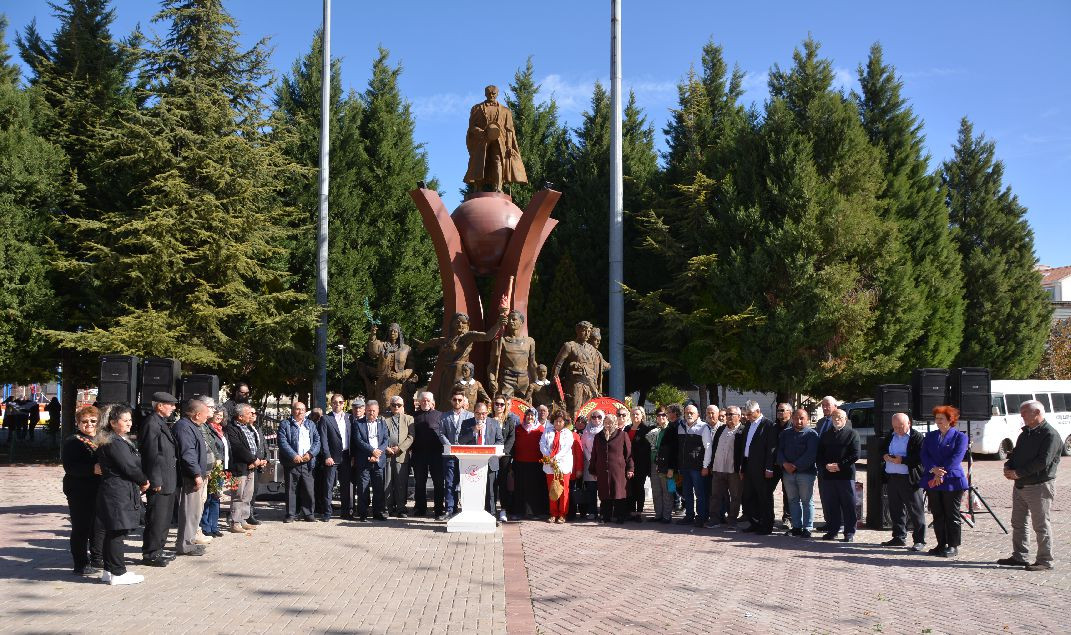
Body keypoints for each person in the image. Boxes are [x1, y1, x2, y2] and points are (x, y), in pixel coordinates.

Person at [999, 399, 1063, 571]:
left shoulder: (1050, 435)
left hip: (1039, 486)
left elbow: (1043, 462)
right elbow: (1016, 454)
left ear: (1037, 413)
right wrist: (1008, 466)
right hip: (1020, 485)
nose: (1021, 416)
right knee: (1018, 522)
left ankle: (1045, 561)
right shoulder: (1025, 433)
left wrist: (1019, 473)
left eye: (1024, 413)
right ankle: (1019, 556)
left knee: (1041, 525)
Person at [94, 406, 149, 585]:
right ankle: (118, 572)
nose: (129, 423)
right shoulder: (114, 442)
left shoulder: (117, 439)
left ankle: (109, 570)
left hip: (118, 489)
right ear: (112, 423)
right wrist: (143, 480)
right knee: (117, 530)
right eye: (125, 420)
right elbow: (128, 467)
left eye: (130, 420)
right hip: (117, 491)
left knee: (114, 531)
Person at [920, 405, 968, 557]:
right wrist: (933, 469)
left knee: (951, 513)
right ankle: (941, 544)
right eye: (936, 419)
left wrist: (941, 473)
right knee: (937, 513)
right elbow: (924, 455)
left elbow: (957, 457)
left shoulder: (960, 437)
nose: (938, 421)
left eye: (941, 419)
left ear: (950, 420)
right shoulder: (930, 436)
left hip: (952, 480)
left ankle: (953, 545)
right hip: (933, 478)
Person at [62, 405, 105, 575]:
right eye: (84, 421)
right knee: (81, 527)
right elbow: (70, 467)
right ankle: (80, 563)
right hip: (79, 490)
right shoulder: (73, 441)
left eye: (93, 421)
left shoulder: (101, 439)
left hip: (99, 489)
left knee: (98, 526)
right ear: (78, 423)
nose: (89, 424)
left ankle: (97, 557)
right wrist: (91, 469)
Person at [138, 392, 179, 567]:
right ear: (160, 405)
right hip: (160, 480)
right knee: (156, 518)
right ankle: (151, 553)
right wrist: (155, 480)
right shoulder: (151, 423)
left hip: (168, 479)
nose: (174, 407)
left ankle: (159, 549)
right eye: (170, 404)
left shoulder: (160, 422)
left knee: (164, 518)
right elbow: (150, 454)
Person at [464, 84, 527, 192]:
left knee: (498, 161)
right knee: (480, 162)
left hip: (499, 140)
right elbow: (472, 127)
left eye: (493, 93)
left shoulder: (506, 111)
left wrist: (508, 146)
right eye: (489, 93)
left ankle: (498, 187)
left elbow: (509, 130)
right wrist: (480, 132)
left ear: (497, 94)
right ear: (485, 94)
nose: (491, 95)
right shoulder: (477, 108)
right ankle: (478, 187)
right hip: (482, 139)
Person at [881, 413, 926, 550]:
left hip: (909, 479)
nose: (898, 430)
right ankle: (899, 537)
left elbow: (920, 458)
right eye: (895, 427)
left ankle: (919, 540)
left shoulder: (916, 437)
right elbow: (881, 449)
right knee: (895, 509)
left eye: (900, 426)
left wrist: (903, 460)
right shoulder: (891, 435)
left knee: (915, 510)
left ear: (909, 423)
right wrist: (885, 456)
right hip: (892, 477)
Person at [816, 408, 861, 542]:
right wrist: (826, 466)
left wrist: (839, 466)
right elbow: (819, 454)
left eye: (840, 417)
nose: (837, 420)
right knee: (831, 504)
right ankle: (832, 530)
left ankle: (849, 532)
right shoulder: (825, 435)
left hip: (845, 475)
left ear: (845, 420)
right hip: (828, 475)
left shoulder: (852, 434)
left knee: (848, 504)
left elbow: (855, 454)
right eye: (835, 417)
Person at [174, 398, 210, 555]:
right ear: (196, 414)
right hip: (188, 478)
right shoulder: (184, 428)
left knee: (194, 512)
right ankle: (185, 545)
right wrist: (196, 474)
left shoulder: (191, 426)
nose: (207, 417)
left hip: (193, 476)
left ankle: (189, 541)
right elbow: (187, 453)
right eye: (205, 414)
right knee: (189, 512)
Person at [777, 408, 819, 538]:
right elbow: (779, 450)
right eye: (796, 418)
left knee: (807, 501)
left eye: (802, 418)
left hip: (805, 473)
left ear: (807, 420)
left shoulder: (812, 434)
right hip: (788, 473)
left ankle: (807, 528)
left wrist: (795, 466)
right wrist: (784, 463)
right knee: (793, 500)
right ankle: (796, 527)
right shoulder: (785, 433)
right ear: (792, 419)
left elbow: (811, 455)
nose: (799, 421)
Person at [737, 401, 777, 534]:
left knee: (764, 497)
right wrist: (742, 467)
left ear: (758, 411)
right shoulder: (748, 424)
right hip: (748, 465)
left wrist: (769, 468)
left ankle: (766, 525)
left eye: (749, 414)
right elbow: (745, 446)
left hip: (762, 467)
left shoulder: (769, 425)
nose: (747, 417)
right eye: (746, 414)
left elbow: (771, 449)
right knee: (749, 496)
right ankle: (754, 522)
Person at [278, 402, 321, 523]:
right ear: (293, 410)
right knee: (291, 489)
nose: (300, 412)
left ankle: (308, 513)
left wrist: (311, 454)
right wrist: (293, 455)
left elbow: (317, 441)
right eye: (297, 409)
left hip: (307, 462)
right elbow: (282, 442)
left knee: (308, 489)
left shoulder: (310, 424)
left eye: (302, 410)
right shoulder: (285, 424)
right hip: (292, 462)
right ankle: (291, 514)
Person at [459, 401, 505, 517]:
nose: (481, 416)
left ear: (487, 412)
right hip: (472, 463)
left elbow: (500, 440)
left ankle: (491, 515)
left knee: (490, 491)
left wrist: (491, 450)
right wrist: (473, 431)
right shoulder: (467, 423)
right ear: (474, 413)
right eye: (478, 414)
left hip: (490, 462)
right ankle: (472, 515)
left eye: (484, 414)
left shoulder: (494, 423)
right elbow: (461, 441)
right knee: (473, 490)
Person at [225, 403, 265, 533]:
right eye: (248, 413)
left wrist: (258, 460)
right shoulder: (231, 428)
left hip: (251, 467)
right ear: (240, 416)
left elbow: (255, 445)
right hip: (238, 467)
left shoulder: (248, 427)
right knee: (238, 495)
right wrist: (253, 459)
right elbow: (238, 448)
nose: (251, 416)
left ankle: (244, 519)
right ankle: (235, 522)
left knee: (247, 495)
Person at [589, 412, 634, 523]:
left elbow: (628, 454)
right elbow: (594, 454)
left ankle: (620, 517)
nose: (608, 424)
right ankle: (605, 516)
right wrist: (593, 470)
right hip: (602, 469)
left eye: (610, 422)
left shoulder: (622, 435)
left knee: (618, 493)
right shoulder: (598, 436)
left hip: (618, 470)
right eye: (606, 422)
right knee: (604, 494)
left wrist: (630, 469)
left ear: (615, 422)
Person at [675, 404, 712, 527]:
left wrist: (705, 466)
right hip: (685, 467)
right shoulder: (680, 427)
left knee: (700, 494)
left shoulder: (703, 427)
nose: (689, 415)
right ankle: (689, 516)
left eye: (692, 412)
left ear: (698, 415)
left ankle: (701, 517)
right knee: (686, 493)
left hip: (698, 468)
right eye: (687, 413)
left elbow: (708, 448)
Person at [352, 399, 389, 521]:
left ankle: (378, 512)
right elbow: (358, 440)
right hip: (364, 460)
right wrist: (372, 451)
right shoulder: (358, 423)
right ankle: (363, 513)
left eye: (373, 411)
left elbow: (385, 440)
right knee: (363, 488)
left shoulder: (382, 423)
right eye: (369, 411)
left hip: (379, 460)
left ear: (378, 411)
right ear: (365, 411)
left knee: (379, 488)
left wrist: (378, 452)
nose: (371, 413)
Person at [707, 406, 743, 529]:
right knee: (715, 495)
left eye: (731, 414)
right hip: (718, 468)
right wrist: (711, 465)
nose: (728, 416)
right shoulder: (721, 428)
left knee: (735, 496)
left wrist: (742, 469)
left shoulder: (742, 431)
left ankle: (732, 519)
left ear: (739, 416)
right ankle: (714, 519)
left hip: (733, 470)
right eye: (727, 414)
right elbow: (713, 448)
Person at [317, 393, 352, 521]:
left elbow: (352, 438)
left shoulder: (349, 417)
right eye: (335, 402)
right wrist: (327, 456)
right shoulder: (326, 419)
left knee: (346, 486)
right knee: (329, 485)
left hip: (346, 456)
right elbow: (323, 439)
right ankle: (327, 513)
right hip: (332, 457)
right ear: (331, 404)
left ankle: (346, 512)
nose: (338, 404)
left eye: (340, 402)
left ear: (344, 404)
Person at [411, 392, 445, 518]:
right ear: (419, 402)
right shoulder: (413, 416)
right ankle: (420, 508)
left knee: (438, 482)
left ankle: (439, 509)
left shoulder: (440, 415)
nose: (425, 402)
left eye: (428, 400)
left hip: (436, 454)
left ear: (432, 402)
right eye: (423, 400)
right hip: (419, 454)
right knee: (420, 482)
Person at [539, 411, 576, 523]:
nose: (558, 423)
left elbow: (565, 449)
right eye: (556, 421)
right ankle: (553, 513)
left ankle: (562, 514)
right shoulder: (547, 431)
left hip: (563, 465)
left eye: (560, 421)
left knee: (564, 491)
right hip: (550, 465)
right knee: (552, 490)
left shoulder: (568, 433)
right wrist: (548, 456)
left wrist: (554, 458)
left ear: (564, 422)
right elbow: (542, 444)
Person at [512, 407, 549, 519]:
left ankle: (534, 512)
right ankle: (519, 512)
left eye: (532, 415)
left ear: (535, 417)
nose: (530, 417)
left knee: (535, 489)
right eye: (528, 415)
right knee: (520, 488)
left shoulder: (541, 429)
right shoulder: (518, 429)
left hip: (536, 464)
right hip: (520, 463)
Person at [440, 391, 472, 518]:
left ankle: (465, 508)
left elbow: (472, 434)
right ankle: (449, 509)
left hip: (465, 455)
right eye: (455, 399)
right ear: (451, 401)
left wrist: (461, 447)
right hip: (449, 455)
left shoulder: (470, 416)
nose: (457, 402)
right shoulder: (444, 416)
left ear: (464, 401)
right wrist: (451, 447)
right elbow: (441, 433)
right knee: (449, 483)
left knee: (465, 483)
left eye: (460, 400)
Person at [368, 322, 415, 406]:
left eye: (395, 331)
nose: (392, 333)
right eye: (390, 331)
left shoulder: (406, 349)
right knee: (385, 402)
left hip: (399, 383)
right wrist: (373, 335)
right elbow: (374, 351)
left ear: (399, 333)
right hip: (383, 383)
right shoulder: (382, 345)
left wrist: (400, 375)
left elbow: (411, 369)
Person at [200, 407, 229, 538]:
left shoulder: (221, 430)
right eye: (217, 414)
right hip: (212, 468)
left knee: (216, 498)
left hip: (221, 468)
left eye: (221, 415)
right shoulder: (208, 429)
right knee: (208, 498)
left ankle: (214, 526)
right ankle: (206, 527)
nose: (219, 417)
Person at [383, 395, 414, 517]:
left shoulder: (409, 419)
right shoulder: (383, 418)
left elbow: (411, 436)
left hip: (401, 454)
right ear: (390, 406)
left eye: (399, 405)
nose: (396, 407)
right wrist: (386, 447)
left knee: (401, 482)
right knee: (387, 482)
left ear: (403, 406)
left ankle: (401, 508)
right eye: (393, 405)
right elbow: (380, 435)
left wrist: (400, 448)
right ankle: (388, 508)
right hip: (387, 454)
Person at [647, 408, 677, 523]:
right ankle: (658, 514)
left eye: (664, 415)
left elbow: (675, 451)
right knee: (656, 491)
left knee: (668, 491)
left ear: (668, 415)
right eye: (658, 415)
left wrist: (672, 468)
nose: (661, 417)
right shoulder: (654, 430)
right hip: (655, 464)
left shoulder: (672, 430)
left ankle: (667, 516)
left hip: (667, 466)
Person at [491, 395, 518, 522]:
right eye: (497, 404)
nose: (499, 406)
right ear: (493, 405)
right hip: (490, 455)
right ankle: (490, 509)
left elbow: (511, 438)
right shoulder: (488, 419)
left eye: (502, 404)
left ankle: (503, 509)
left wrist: (503, 451)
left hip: (504, 456)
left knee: (503, 483)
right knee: (491, 482)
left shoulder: (509, 421)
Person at [627, 407, 655, 522]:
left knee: (639, 488)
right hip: (628, 464)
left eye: (637, 414)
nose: (635, 416)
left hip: (641, 464)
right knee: (631, 488)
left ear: (642, 415)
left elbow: (647, 448)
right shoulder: (627, 429)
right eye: (633, 414)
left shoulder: (646, 429)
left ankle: (639, 512)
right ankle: (632, 511)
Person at [579, 410, 605, 520]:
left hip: (603, 463)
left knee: (603, 489)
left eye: (599, 417)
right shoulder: (586, 431)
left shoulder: (606, 430)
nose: (596, 419)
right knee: (591, 489)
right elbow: (583, 445)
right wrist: (591, 459)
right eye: (594, 417)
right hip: (589, 463)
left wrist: (599, 460)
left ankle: (604, 511)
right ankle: (592, 511)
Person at [772, 403, 793, 526]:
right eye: (778, 410)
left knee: (788, 492)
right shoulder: (773, 427)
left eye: (782, 410)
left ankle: (788, 518)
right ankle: (769, 516)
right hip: (774, 465)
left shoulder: (792, 427)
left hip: (787, 465)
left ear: (789, 412)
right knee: (768, 490)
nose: (779, 412)